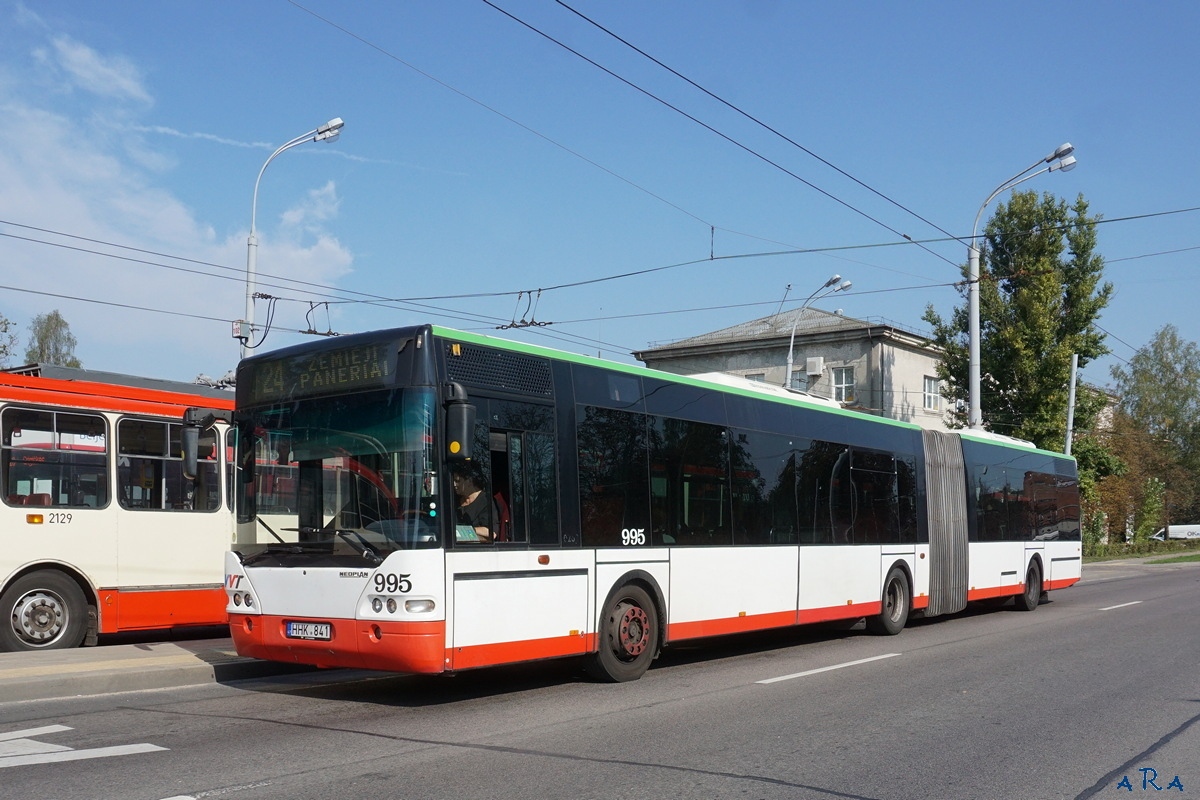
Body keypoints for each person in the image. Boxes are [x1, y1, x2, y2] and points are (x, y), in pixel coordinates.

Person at [451, 462, 498, 542]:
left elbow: (492, 532)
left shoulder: (486, 501)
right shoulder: (453, 500)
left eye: (458, 481)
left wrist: (465, 531)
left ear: (469, 481)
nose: (454, 484)